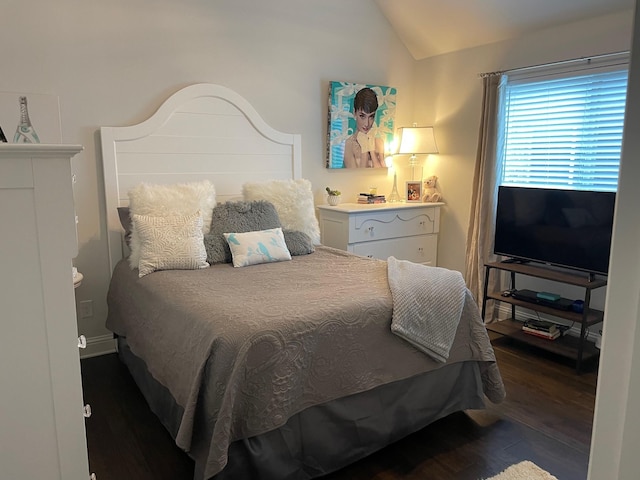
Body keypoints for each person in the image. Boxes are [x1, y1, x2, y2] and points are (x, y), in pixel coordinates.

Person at [343, 88, 386, 168]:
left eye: (371, 117)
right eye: (362, 116)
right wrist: (365, 149)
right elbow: (357, 176)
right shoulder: (349, 145)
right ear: (354, 113)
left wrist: (372, 150)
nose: (367, 123)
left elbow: (382, 171)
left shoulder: (379, 142)